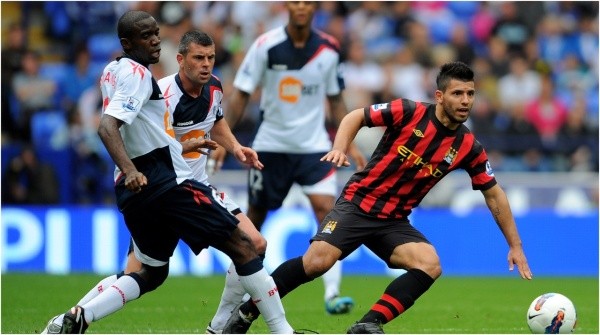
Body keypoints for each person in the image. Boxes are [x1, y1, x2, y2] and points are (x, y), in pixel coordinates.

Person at [222, 61, 533, 334]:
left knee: (430, 264)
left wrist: (515, 245)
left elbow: (494, 195)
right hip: (359, 204)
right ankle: (248, 310)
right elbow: (355, 116)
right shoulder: (409, 111)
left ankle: (367, 324)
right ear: (440, 96)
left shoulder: (468, 146)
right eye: (457, 94)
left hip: (394, 220)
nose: (465, 101)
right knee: (317, 263)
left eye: (470, 94)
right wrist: (341, 147)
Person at [42, 11, 293, 334]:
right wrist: (133, 167)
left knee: (149, 273)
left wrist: (232, 147)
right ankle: (273, 329)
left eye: (156, 33)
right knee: (244, 246)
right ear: (128, 43)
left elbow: (208, 123)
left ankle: (74, 318)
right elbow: (108, 126)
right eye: (147, 35)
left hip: (140, 190)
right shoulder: (146, 80)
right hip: (167, 181)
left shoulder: (114, 70)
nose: (155, 39)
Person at [210, 0, 367, 315]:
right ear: (286, 6)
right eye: (295, 1)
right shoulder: (266, 45)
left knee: (328, 213)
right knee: (254, 220)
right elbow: (241, 94)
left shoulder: (329, 49)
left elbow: (336, 101)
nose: (301, 7)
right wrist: (221, 138)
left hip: (314, 147)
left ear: (314, 9)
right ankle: (233, 298)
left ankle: (332, 293)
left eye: (307, 3)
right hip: (271, 146)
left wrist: (348, 142)